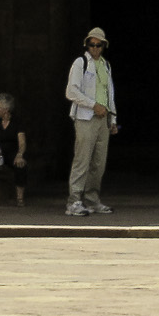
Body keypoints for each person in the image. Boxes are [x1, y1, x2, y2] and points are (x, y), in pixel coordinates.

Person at [64, 27, 119, 217]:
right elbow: (71, 91)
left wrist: (113, 119)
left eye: (98, 45)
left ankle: (92, 199)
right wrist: (92, 105)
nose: (95, 48)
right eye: (92, 44)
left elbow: (109, 94)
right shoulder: (81, 63)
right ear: (87, 45)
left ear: (103, 46)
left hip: (103, 120)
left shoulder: (105, 65)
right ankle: (74, 201)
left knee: (98, 163)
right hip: (86, 118)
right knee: (82, 160)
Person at [0, 93, 27, 208]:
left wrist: (20, 154)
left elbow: (22, 142)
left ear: (6, 109)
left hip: (12, 152)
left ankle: (20, 198)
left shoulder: (17, 122)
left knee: (21, 164)